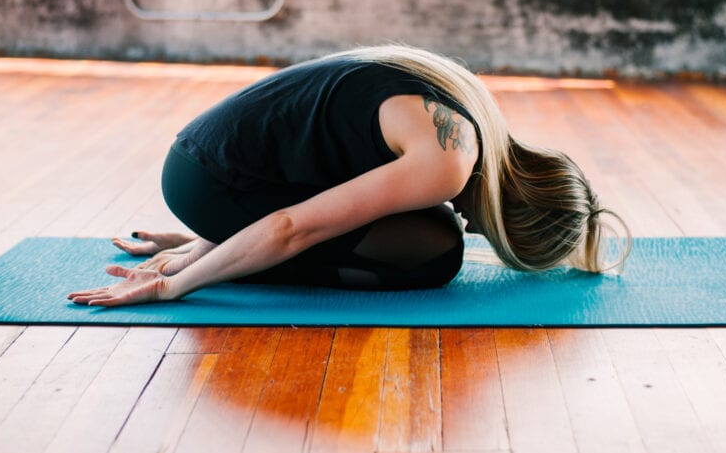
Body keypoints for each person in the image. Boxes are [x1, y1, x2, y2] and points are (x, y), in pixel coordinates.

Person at [68, 45, 631, 307]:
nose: (475, 227)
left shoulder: (471, 115)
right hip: (210, 182)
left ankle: (222, 235)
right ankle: (227, 245)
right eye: (496, 236)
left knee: (425, 224)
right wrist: (179, 281)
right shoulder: (448, 162)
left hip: (203, 161)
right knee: (436, 249)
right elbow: (294, 227)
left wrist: (202, 239)